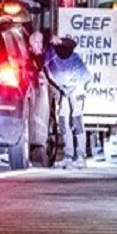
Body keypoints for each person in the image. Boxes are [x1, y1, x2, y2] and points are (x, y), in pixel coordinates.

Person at [41, 34, 90, 168]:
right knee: (62, 121)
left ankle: (81, 155)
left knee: (76, 119)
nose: (33, 47)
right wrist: (58, 90)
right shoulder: (44, 56)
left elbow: (71, 44)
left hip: (77, 82)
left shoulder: (56, 48)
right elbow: (49, 76)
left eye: (35, 43)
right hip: (65, 88)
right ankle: (68, 155)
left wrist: (60, 41)